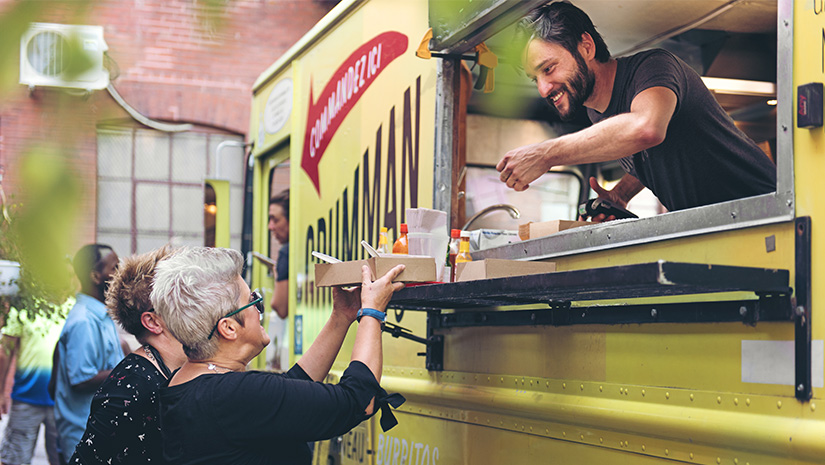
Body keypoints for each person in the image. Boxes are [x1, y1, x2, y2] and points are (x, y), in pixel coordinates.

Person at [496, 1, 776, 220]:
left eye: (548, 69)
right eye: (536, 79)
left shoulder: (653, 67)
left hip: (768, 209)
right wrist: (621, 194)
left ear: (586, 47)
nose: (543, 89)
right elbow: (653, 153)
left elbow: (647, 128)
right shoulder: (597, 114)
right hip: (718, 224)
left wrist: (546, 154)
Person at [153, 247, 405, 464]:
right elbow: (358, 400)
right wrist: (372, 313)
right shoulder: (232, 394)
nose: (260, 308)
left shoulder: (186, 382)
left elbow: (290, 390)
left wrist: (341, 316)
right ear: (228, 327)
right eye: (254, 301)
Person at [68, 246, 186, 464]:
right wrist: (125, 374)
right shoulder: (131, 388)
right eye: (180, 298)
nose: (193, 305)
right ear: (152, 321)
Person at [54, 244, 124, 464]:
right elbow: (82, 378)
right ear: (95, 276)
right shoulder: (84, 320)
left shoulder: (100, 315)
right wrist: (129, 369)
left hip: (99, 431)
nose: (121, 273)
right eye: (115, 267)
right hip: (82, 434)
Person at [0, 298, 71, 465]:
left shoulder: (73, 307)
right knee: (14, 460)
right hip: (25, 398)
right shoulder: (24, 307)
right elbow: (5, 353)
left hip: (63, 402)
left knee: (65, 460)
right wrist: (1, 393)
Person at [268, 190, 290, 319]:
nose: (270, 226)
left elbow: (280, 307)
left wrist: (277, 273)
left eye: (275, 220)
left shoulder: (286, 253)